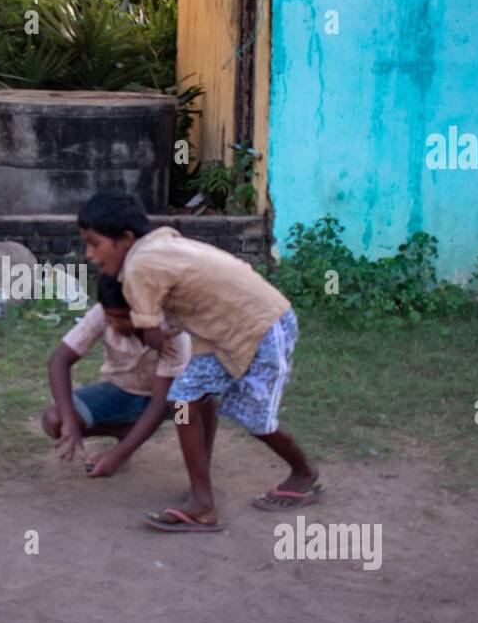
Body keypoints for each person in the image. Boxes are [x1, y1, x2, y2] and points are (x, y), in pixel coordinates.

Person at [77, 190, 321, 532]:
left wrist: (139, 334)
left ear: (126, 239)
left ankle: (304, 472)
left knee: (253, 417)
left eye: (94, 243)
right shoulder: (159, 246)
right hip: (227, 331)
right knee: (185, 400)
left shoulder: (139, 266)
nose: (89, 254)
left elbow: (152, 335)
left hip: (261, 327)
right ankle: (201, 500)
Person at [43, 273, 191, 478]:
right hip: (121, 392)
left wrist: (118, 456)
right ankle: (124, 431)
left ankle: (197, 473)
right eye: (110, 316)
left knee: (189, 412)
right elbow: (58, 361)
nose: (115, 323)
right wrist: (69, 422)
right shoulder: (102, 313)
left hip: (169, 400)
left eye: (123, 317)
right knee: (55, 419)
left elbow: (159, 403)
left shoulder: (172, 333)